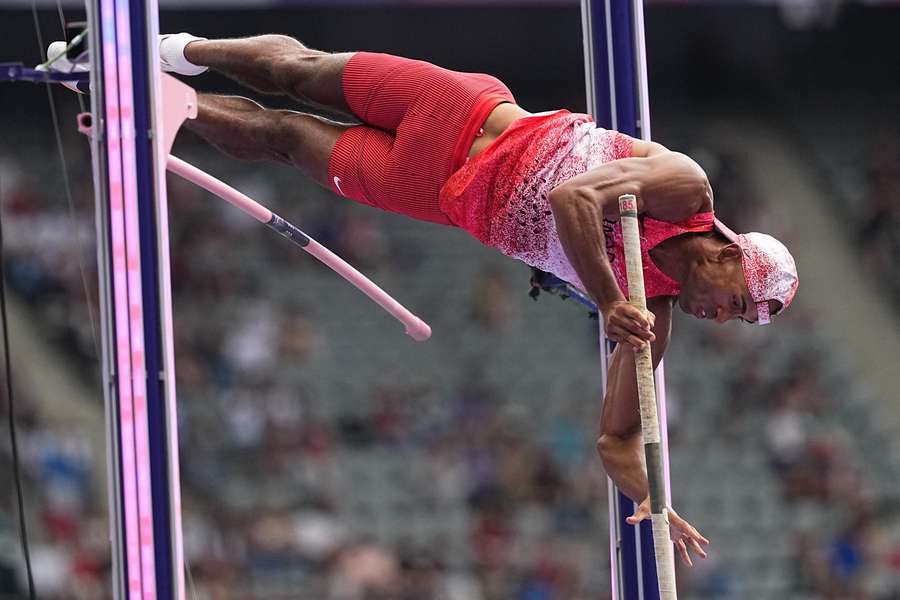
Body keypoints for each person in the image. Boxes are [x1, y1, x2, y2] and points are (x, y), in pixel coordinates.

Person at [47, 33, 799, 566]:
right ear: (733, 257)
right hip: (466, 112)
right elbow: (575, 197)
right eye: (735, 304)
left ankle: (144, 96)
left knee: (284, 139)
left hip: (440, 194)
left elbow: (615, 441)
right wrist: (606, 299)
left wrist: (656, 500)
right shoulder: (686, 190)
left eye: (735, 320)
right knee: (302, 72)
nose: (720, 319)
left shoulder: (654, 319)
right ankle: (173, 48)